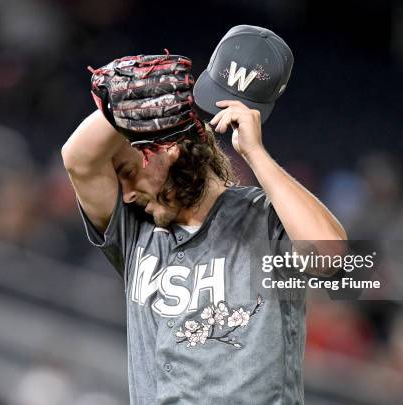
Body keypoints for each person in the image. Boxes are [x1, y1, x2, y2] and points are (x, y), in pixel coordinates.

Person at [62, 27, 345, 405]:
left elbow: (330, 258)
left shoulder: (264, 217)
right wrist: (159, 94)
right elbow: (78, 158)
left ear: (168, 149)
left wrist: (256, 155)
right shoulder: (136, 230)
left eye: (129, 172)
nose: (126, 192)